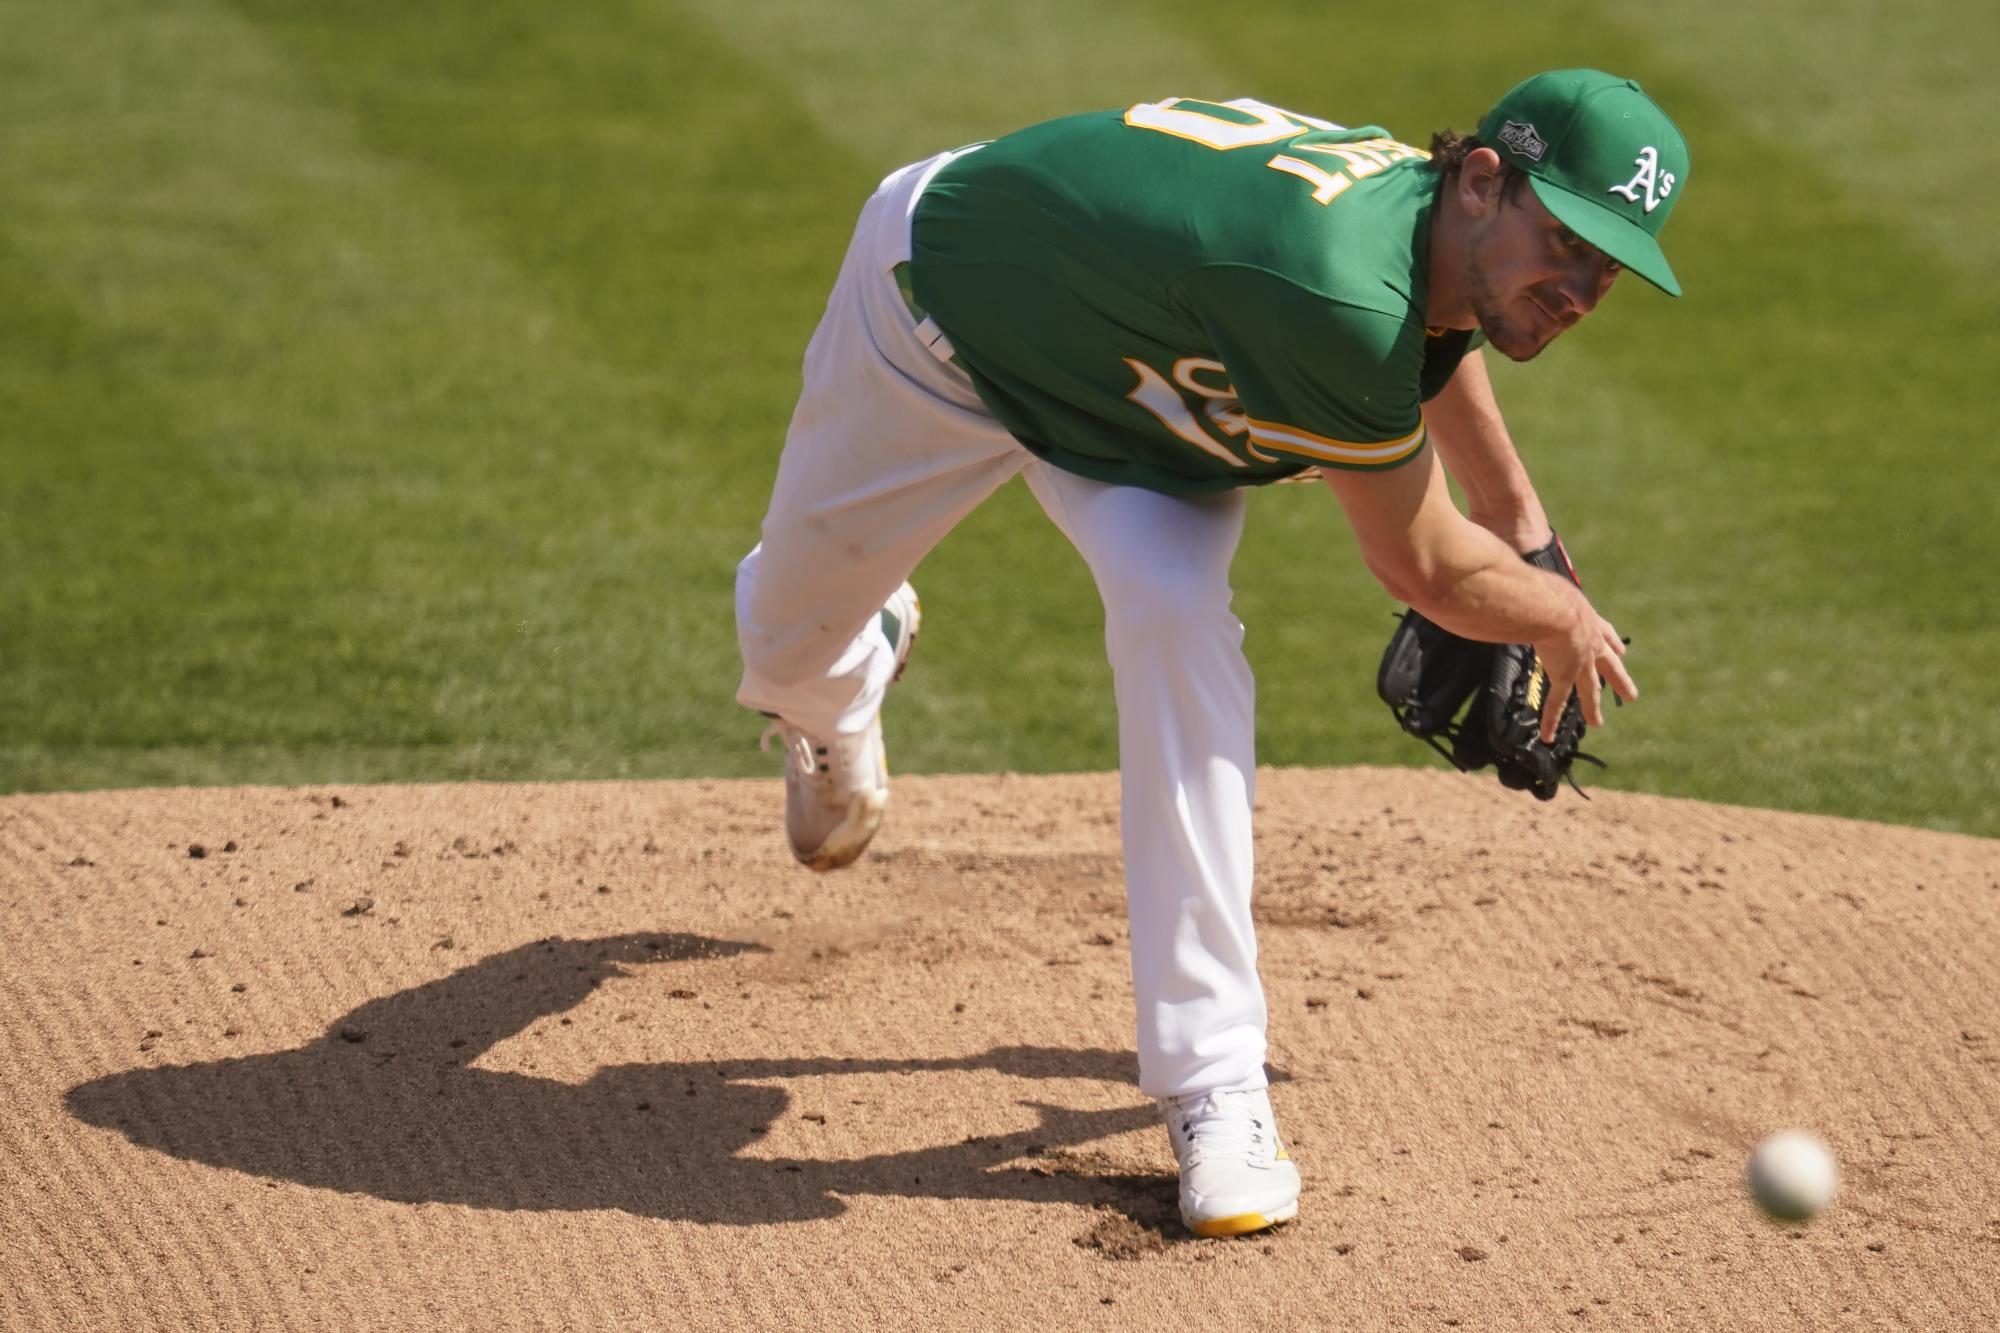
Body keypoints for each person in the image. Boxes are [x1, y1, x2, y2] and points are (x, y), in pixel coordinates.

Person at [734, 69, 1686, 1237]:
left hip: (1135, 423)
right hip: (941, 325)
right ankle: (848, 665)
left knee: (1175, 621)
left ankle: (1214, 1084)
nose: (1583, 286)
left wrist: (1530, 540)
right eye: (1568, 241)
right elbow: (1423, 569)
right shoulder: (1330, 282)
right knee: (782, 644)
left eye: (1610, 265)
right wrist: (1558, 618)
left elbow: (1437, 334)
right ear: (1482, 181)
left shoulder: (1434, 230)